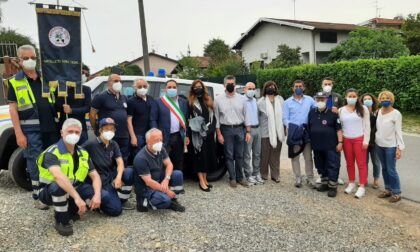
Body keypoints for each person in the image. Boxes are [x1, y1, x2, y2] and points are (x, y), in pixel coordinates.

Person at [8, 44, 59, 209]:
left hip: (51, 128)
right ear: (19, 60)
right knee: (35, 162)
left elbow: (54, 99)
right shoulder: (15, 82)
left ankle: (50, 193)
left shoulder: (46, 79)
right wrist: (18, 134)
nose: (30, 60)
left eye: (33, 57)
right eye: (26, 58)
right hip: (30, 130)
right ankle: (38, 196)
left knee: (51, 161)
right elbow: (13, 108)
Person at [37, 119, 102, 236]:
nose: (74, 135)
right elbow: (58, 177)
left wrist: (97, 195)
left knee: (93, 190)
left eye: (77, 132)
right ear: (62, 133)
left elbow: (95, 175)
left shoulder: (83, 153)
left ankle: (71, 210)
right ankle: (61, 220)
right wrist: (77, 198)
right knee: (59, 186)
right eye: (70, 131)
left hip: (72, 189)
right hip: (49, 191)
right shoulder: (52, 152)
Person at [83, 118, 135, 213]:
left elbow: (120, 162)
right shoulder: (90, 144)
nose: (110, 131)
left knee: (129, 172)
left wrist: (119, 178)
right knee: (115, 211)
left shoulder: (113, 144)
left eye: (112, 129)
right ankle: (96, 203)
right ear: (100, 130)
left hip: (110, 175)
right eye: (106, 129)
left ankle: (122, 200)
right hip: (99, 179)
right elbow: (78, 154)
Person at [133, 128, 186, 212]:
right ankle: (144, 201)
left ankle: (173, 200)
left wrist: (167, 178)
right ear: (147, 141)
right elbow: (149, 182)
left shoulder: (160, 149)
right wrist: (167, 191)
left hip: (159, 179)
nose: (159, 142)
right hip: (146, 188)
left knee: (178, 174)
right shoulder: (141, 158)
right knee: (165, 201)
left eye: (160, 139)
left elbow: (169, 164)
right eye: (156, 140)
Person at [214, 75, 251, 188]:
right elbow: (216, 118)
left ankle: (240, 177)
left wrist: (248, 132)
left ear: (235, 85)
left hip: (240, 129)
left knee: (240, 154)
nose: (230, 85)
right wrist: (219, 134)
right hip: (226, 130)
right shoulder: (218, 99)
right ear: (224, 85)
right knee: (229, 155)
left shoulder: (242, 99)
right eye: (228, 84)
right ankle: (232, 178)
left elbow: (247, 116)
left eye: (232, 84)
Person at [308, 92, 343, 197]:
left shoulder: (333, 113)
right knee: (320, 165)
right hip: (317, 145)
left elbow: (339, 129)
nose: (320, 101)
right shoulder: (311, 112)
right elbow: (310, 127)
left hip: (331, 145)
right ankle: (324, 183)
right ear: (315, 100)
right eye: (318, 99)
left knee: (332, 165)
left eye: (322, 99)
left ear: (326, 100)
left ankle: (333, 186)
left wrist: (340, 142)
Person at [283, 80, 316, 188]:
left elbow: (316, 112)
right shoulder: (287, 102)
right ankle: (298, 177)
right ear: (293, 88)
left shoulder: (310, 100)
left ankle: (310, 178)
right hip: (294, 132)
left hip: (306, 132)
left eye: (300, 86)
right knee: (295, 156)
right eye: (296, 86)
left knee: (308, 156)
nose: (298, 88)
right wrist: (291, 127)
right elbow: (285, 118)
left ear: (304, 87)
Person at [90, 74, 129, 165]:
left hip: (123, 135)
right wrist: (96, 129)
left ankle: (122, 177)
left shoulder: (124, 98)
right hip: (109, 134)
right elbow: (92, 115)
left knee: (123, 159)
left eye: (120, 81)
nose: (118, 83)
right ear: (109, 83)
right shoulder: (101, 97)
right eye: (115, 81)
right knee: (108, 159)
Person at [339, 89, 370, 199]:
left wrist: (366, 141)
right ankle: (351, 183)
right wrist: (341, 141)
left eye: (354, 96)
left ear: (357, 98)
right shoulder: (341, 110)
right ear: (346, 97)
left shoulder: (363, 109)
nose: (352, 98)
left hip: (359, 139)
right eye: (350, 96)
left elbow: (367, 126)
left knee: (361, 163)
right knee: (349, 163)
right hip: (347, 139)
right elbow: (340, 127)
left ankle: (362, 186)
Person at [152, 79, 190, 171]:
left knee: (178, 160)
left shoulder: (183, 102)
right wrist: (155, 135)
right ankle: (164, 182)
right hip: (164, 136)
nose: (171, 89)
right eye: (169, 87)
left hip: (179, 136)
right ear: (165, 89)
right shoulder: (158, 102)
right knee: (163, 160)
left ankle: (177, 181)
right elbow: (153, 119)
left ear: (177, 89)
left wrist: (187, 136)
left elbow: (186, 121)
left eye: (174, 87)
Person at [187, 80, 217, 192]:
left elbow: (213, 118)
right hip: (197, 134)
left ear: (203, 88)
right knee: (199, 158)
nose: (198, 88)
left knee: (207, 157)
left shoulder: (208, 100)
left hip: (208, 134)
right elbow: (190, 119)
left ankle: (205, 179)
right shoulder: (190, 102)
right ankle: (201, 181)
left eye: (200, 86)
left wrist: (210, 130)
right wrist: (199, 131)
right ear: (192, 89)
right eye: (195, 87)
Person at [375, 91, 405, 203]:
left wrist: (399, 148)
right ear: (379, 100)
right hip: (379, 145)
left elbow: (398, 132)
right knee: (384, 168)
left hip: (390, 146)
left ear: (391, 99)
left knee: (391, 169)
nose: (384, 99)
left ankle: (396, 192)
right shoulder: (378, 111)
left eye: (387, 98)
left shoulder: (396, 113)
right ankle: (388, 189)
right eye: (382, 98)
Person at [258, 81, 285, 183]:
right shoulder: (260, 102)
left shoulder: (280, 99)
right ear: (265, 88)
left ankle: (275, 175)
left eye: (272, 86)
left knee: (275, 155)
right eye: (268, 86)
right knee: (264, 155)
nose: (271, 87)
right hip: (265, 132)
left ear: (275, 88)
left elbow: (284, 115)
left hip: (278, 132)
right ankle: (264, 174)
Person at [127, 79, 158, 156]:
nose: (142, 88)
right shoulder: (131, 101)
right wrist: (133, 137)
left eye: (144, 86)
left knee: (150, 156)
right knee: (138, 156)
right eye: (139, 86)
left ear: (147, 87)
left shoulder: (151, 99)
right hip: (138, 135)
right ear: (135, 88)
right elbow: (128, 120)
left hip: (150, 134)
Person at [360, 93, 381, 189]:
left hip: (375, 141)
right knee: (364, 162)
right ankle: (364, 179)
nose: (367, 100)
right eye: (365, 99)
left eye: (369, 99)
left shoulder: (378, 112)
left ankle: (376, 179)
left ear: (373, 101)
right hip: (364, 141)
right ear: (362, 101)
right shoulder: (360, 112)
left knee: (376, 162)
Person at [243, 82, 262, 185]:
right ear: (245, 89)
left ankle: (256, 173)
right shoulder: (242, 101)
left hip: (257, 129)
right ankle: (248, 175)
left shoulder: (255, 100)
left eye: (253, 89)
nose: (251, 91)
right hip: (248, 131)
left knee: (257, 153)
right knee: (247, 154)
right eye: (249, 88)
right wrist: (247, 131)